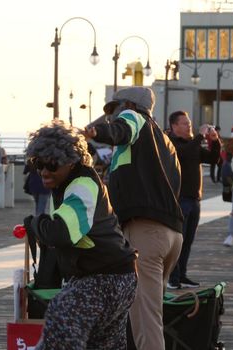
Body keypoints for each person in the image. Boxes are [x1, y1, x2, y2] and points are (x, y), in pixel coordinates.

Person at [84, 86, 183, 350]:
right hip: (171, 234)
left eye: (115, 109)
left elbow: (121, 128)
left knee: (146, 320)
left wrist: (97, 132)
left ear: (128, 104)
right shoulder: (165, 142)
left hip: (146, 232)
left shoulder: (134, 118)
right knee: (146, 313)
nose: (112, 115)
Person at [24, 121, 137, 349]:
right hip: (116, 277)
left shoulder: (82, 185)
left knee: (61, 317)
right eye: (38, 164)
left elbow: (61, 233)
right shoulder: (70, 184)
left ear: (71, 161)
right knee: (105, 343)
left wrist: (36, 224)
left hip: (105, 278)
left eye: (52, 164)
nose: (44, 171)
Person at [167, 111, 221, 290]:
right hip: (180, 198)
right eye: (184, 123)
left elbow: (213, 159)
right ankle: (172, 278)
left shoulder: (192, 143)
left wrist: (215, 141)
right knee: (178, 241)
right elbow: (182, 154)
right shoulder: (170, 143)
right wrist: (200, 136)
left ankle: (182, 275)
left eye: (189, 123)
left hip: (194, 198)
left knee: (188, 241)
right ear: (174, 126)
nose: (189, 125)